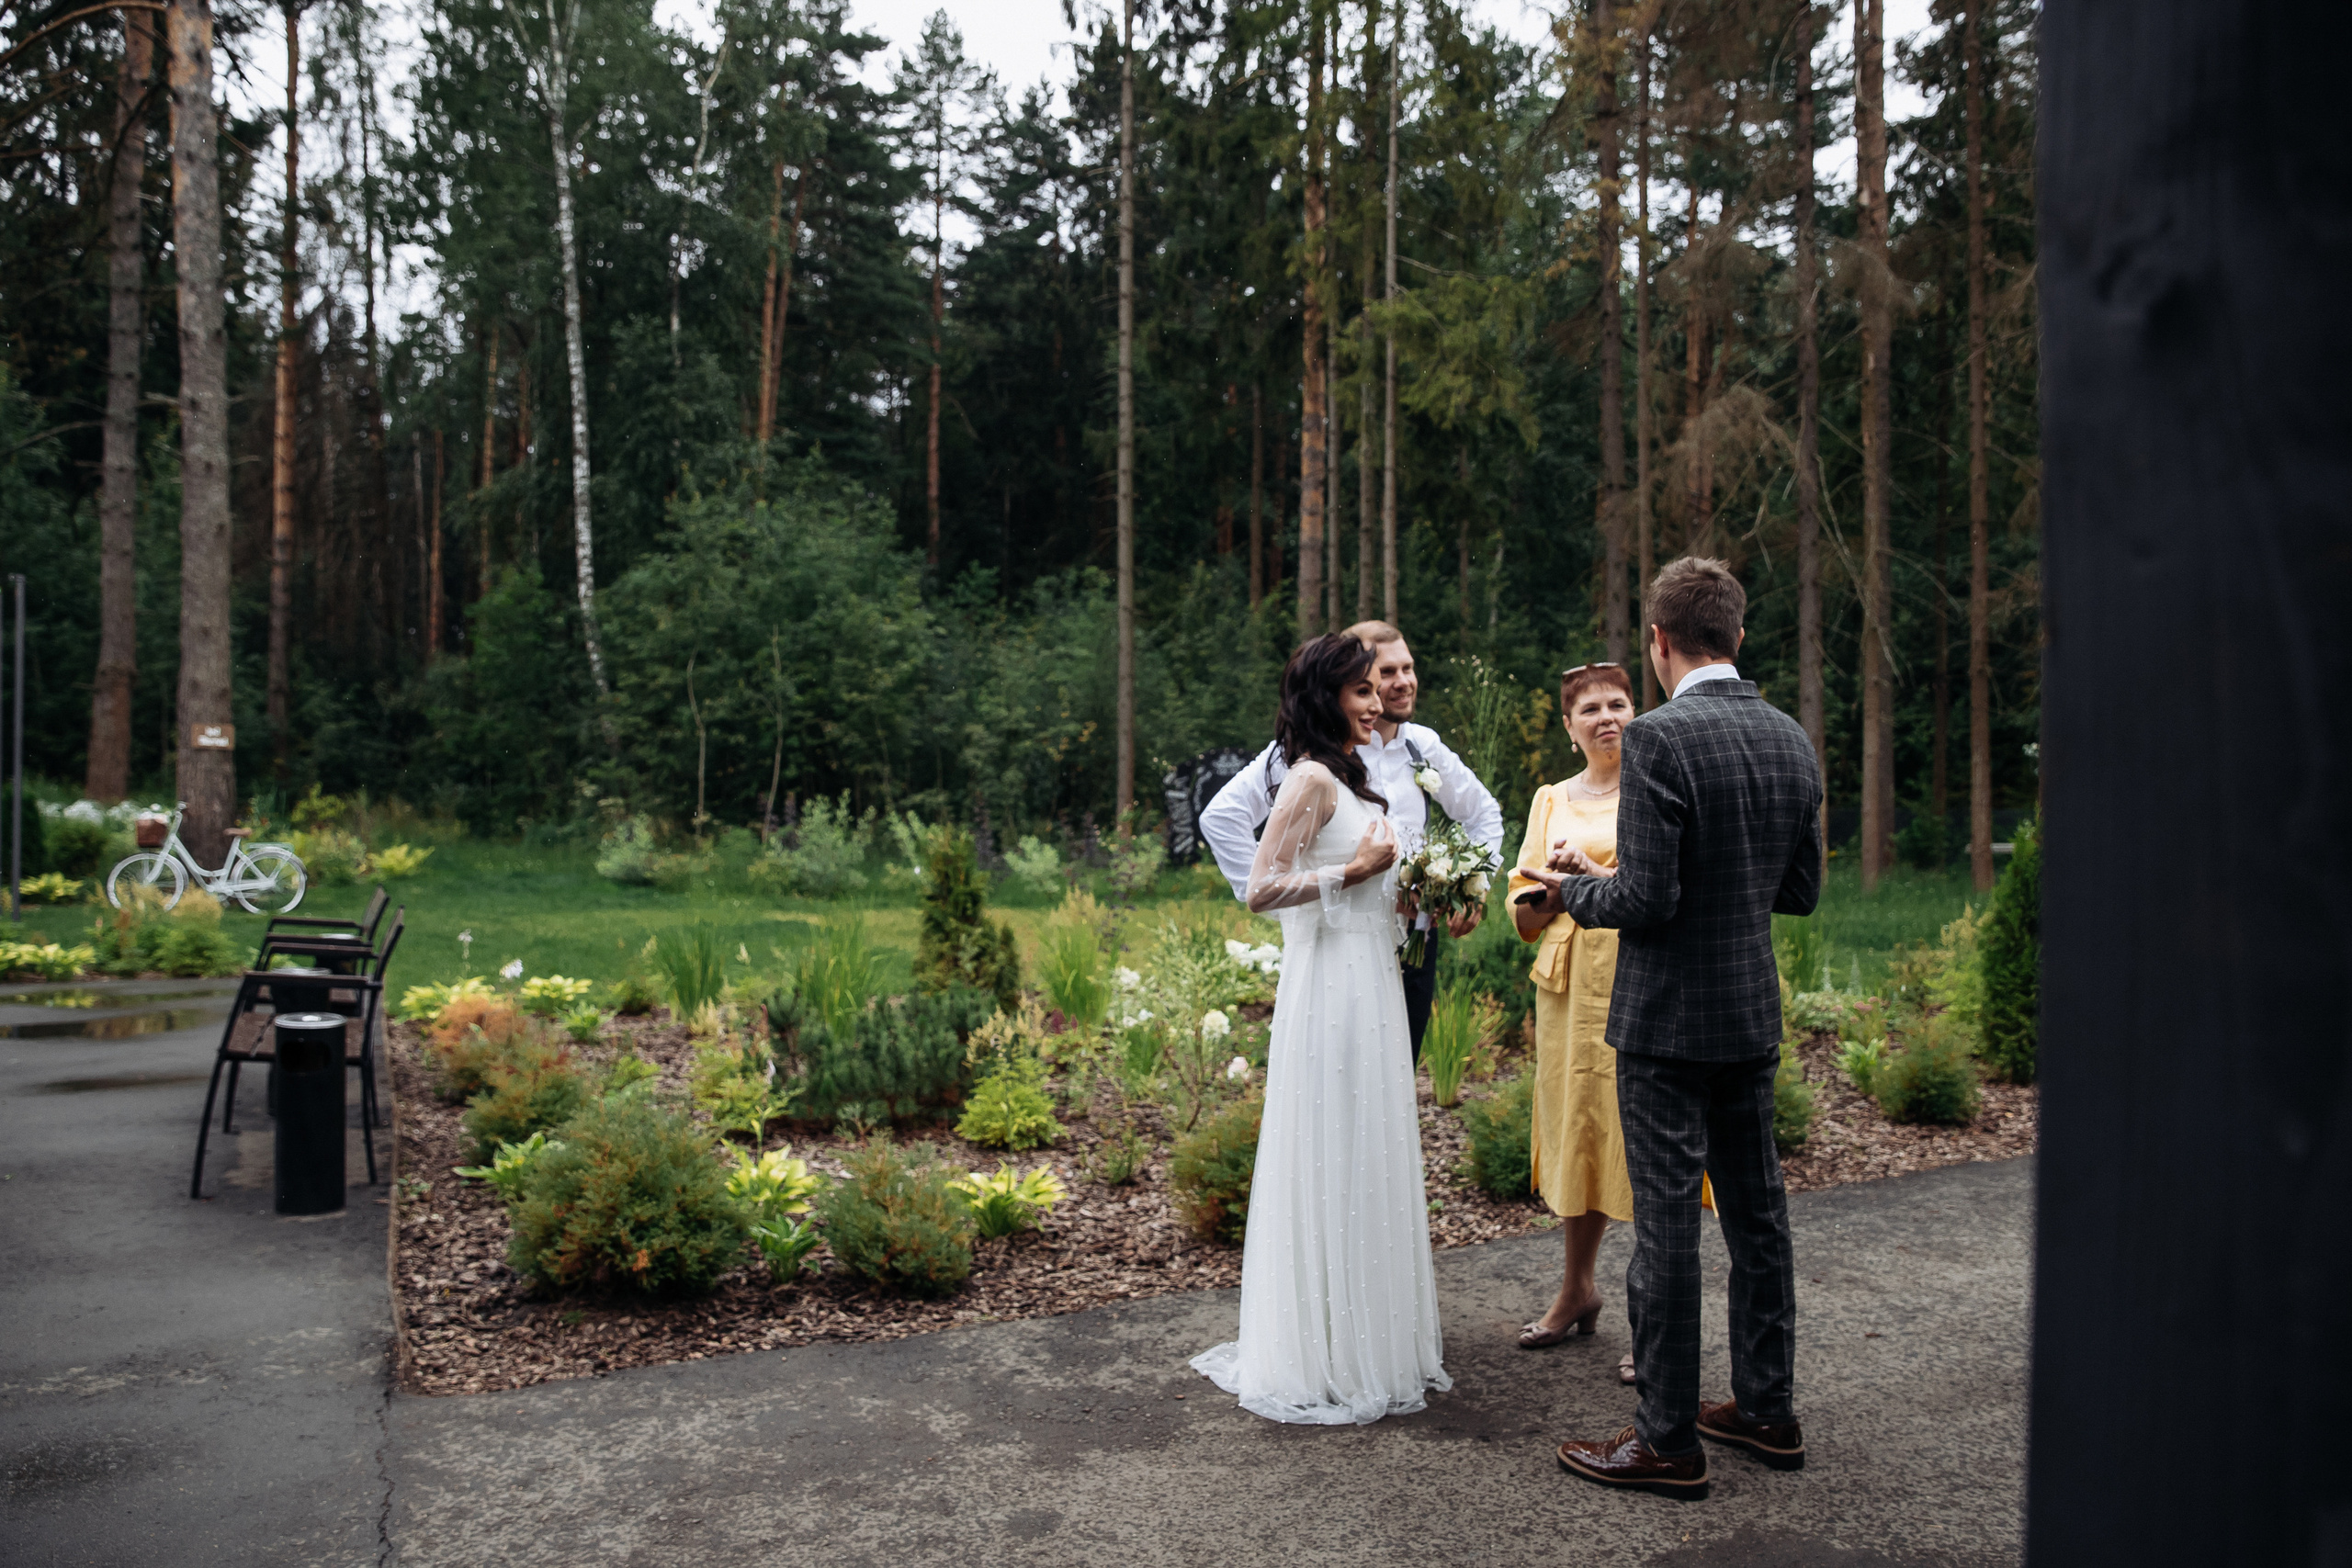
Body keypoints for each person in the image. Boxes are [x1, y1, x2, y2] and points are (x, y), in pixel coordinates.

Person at [1526, 558, 1823, 1501]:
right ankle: (1767, 1410)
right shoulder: (1790, 737)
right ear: (1737, 634)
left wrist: (1569, 887)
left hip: (1662, 1025)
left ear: (1659, 642)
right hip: (1747, 1011)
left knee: (1665, 1230)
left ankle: (1664, 1439)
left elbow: (1646, 897)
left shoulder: (1658, 739)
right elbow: (1802, 892)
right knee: (1757, 1216)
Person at [1190, 633, 1451, 1425]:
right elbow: (1261, 887)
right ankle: (1323, 1348)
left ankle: (1370, 1337)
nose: (1378, 703)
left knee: (1370, 1147)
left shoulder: (1354, 772)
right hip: (1329, 989)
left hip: (1371, 974)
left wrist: (1409, 895)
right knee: (1333, 1145)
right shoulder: (1307, 777)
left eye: (1379, 689)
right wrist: (1351, 874)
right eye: (1362, 691)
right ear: (1325, 696)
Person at [1507, 661, 1713, 1381]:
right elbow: (1524, 910)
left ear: (1639, 711)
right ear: (1569, 728)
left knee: (1644, 1145)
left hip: (1641, 979)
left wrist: (1587, 876)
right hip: (1569, 992)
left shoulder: (1657, 782)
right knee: (1582, 1134)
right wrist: (1552, 887)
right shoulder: (1549, 799)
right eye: (1589, 708)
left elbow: (1663, 884)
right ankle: (1577, 1289)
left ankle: (1650, 1317)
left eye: (1618, 703)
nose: (1606, 716)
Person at [1198, 621, 1502, 1056]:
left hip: (1415, 935)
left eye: (1408, 669)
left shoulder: (1422, 746)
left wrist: (1472, 885)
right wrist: (1293, 906)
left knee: (1397, 1076)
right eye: (1385, 675)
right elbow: (1223, 818)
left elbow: (1483, 813)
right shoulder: (1307, 755)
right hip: (1341, 943)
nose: (1400, 684)